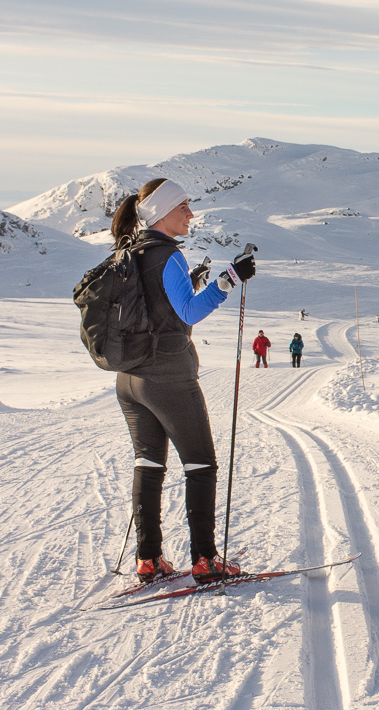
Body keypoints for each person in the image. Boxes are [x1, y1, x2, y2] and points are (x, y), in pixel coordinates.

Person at [109, 177, 256, 583]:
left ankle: (149, 559)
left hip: (130, 380)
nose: (190, 213)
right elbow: (189, 314)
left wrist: (192, 280)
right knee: (201, 464)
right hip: (168, 378)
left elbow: (157, 307)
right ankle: (205, 560)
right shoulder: (167, 255)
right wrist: (229, 279)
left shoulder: (132, 250)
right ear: (162, 212)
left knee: (149, 462)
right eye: (184, 206)